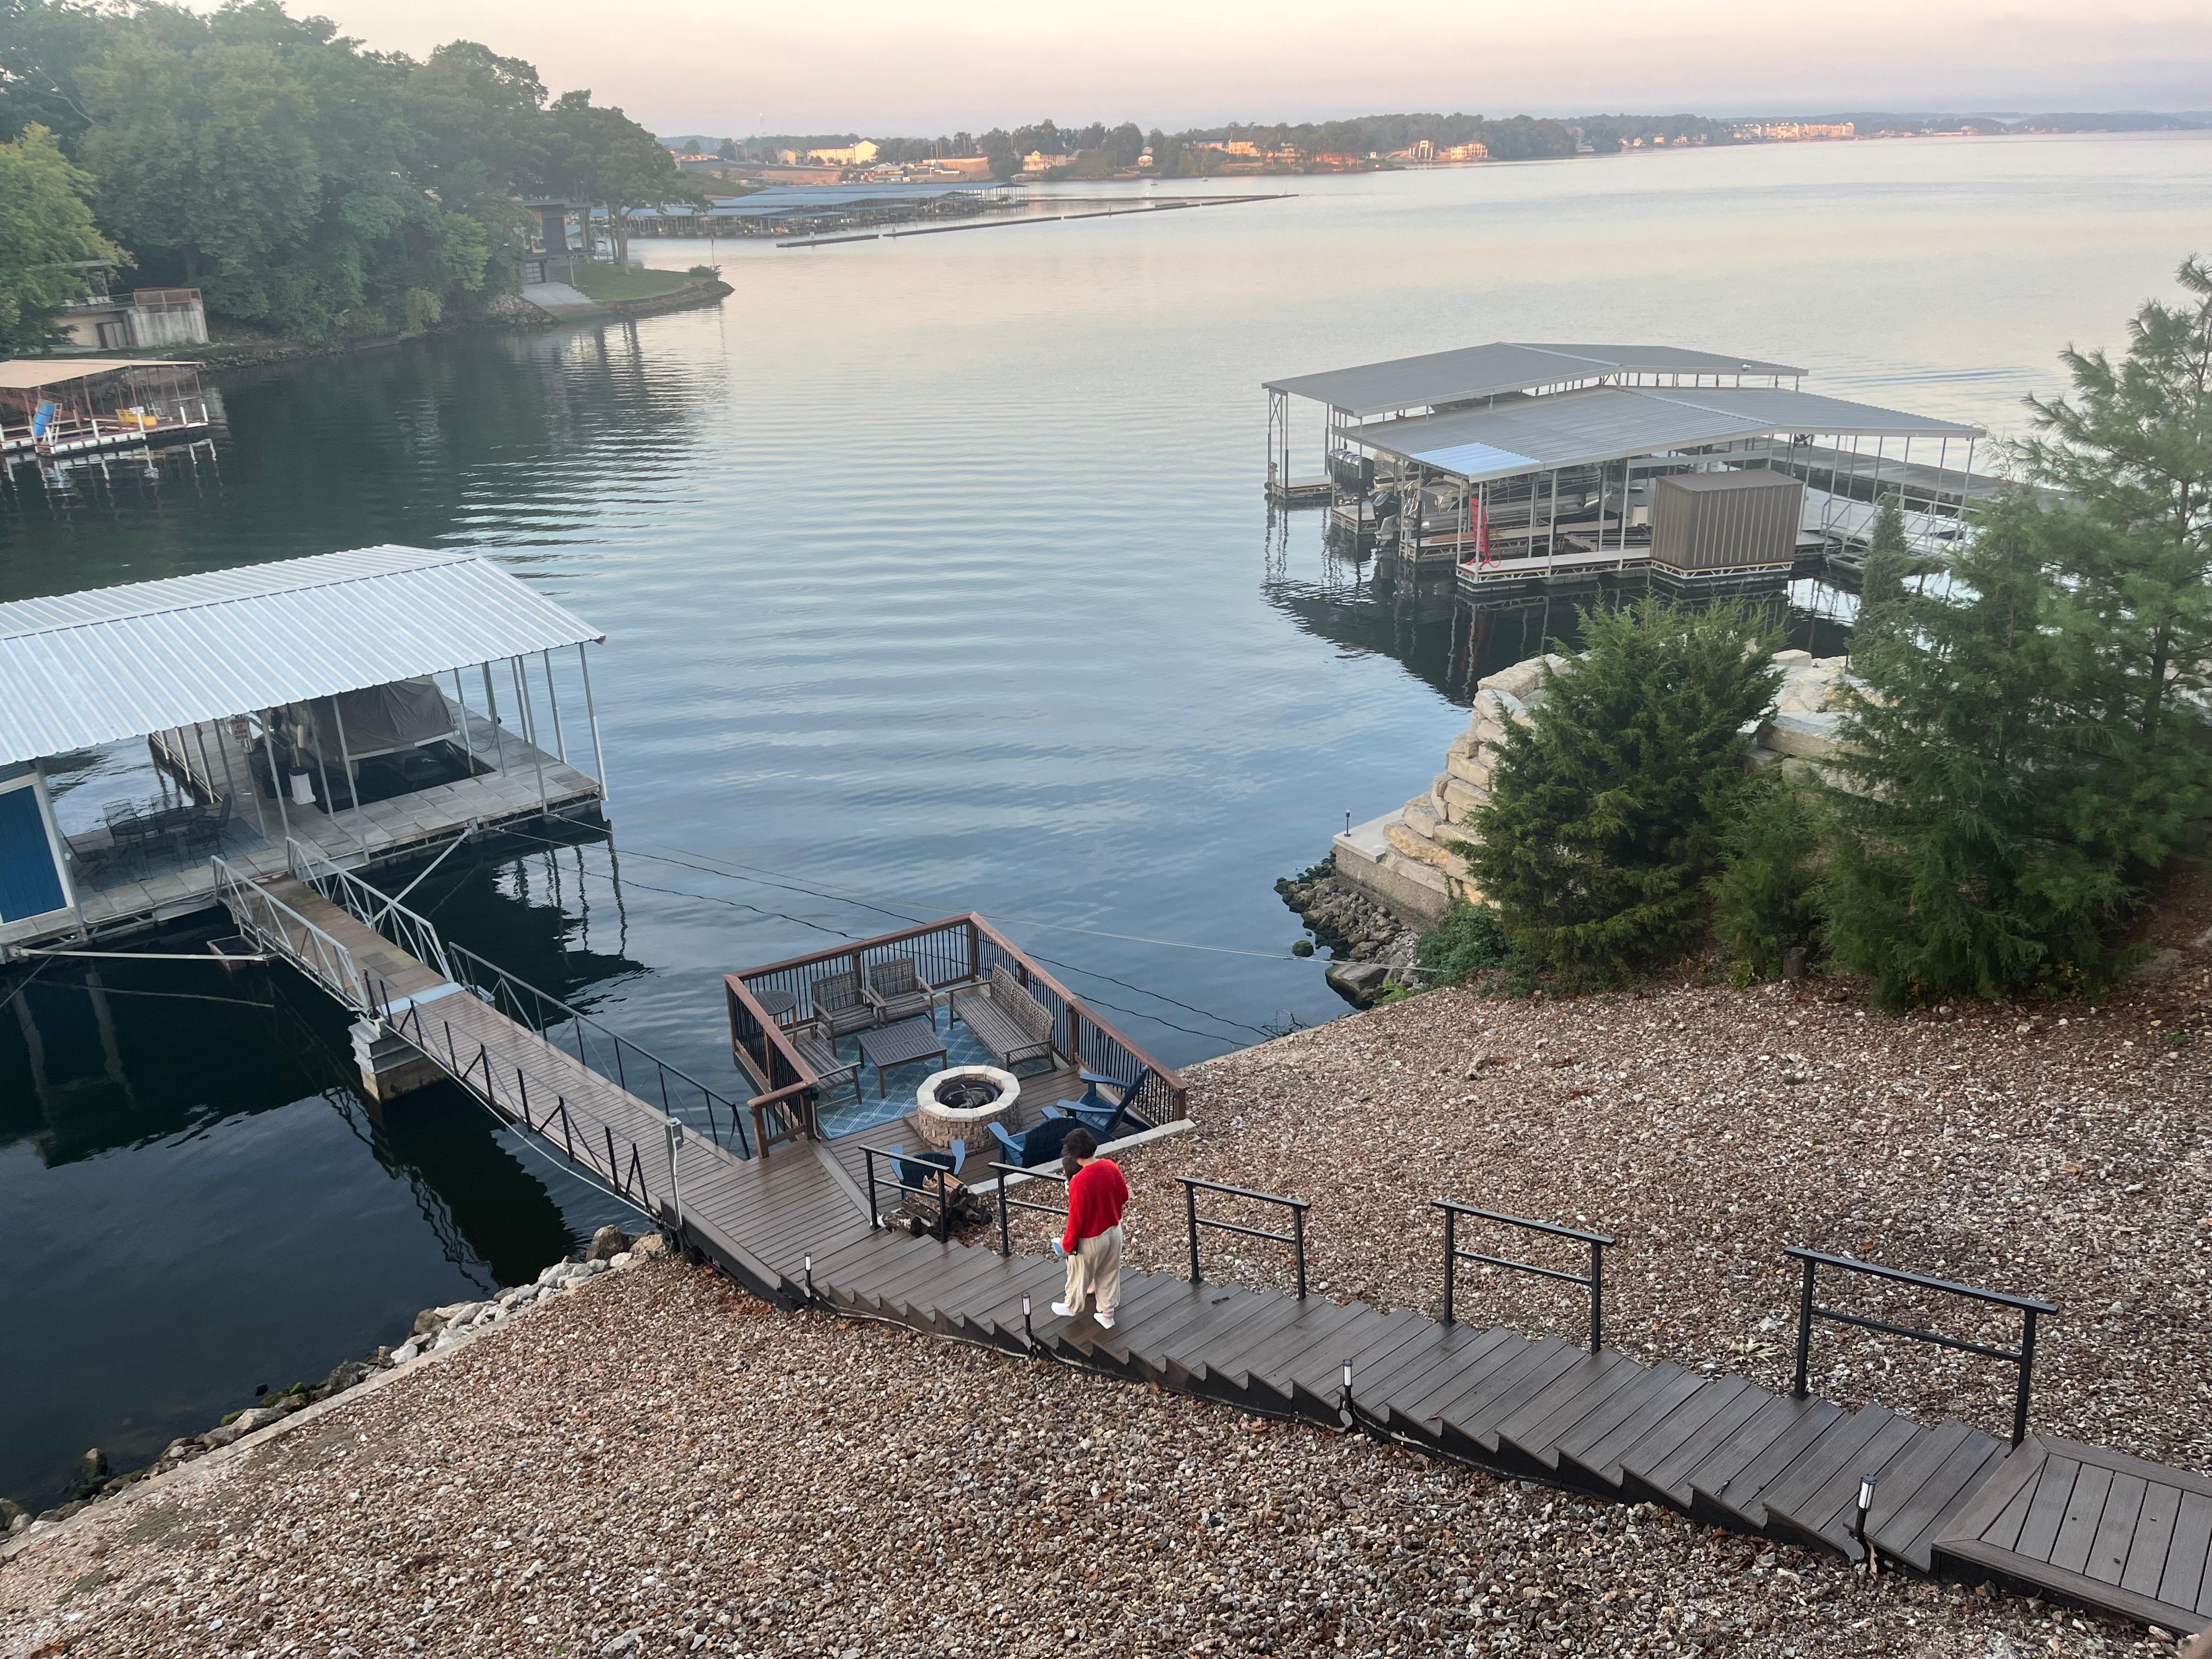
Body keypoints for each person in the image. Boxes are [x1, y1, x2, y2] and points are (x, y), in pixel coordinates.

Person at [1049, 1127, 1126, 1328]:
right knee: (1109, 1272)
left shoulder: (1079, 1182)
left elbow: (1076, 1219)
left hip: (1091, 1238)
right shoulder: (1110, 1166)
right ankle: (1107, 1315)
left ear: (1074, 1155)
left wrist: (1068, 1244)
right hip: (1114, 1230)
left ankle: (1071, 1306)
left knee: (1078, 1273)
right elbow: (1124, 1196)